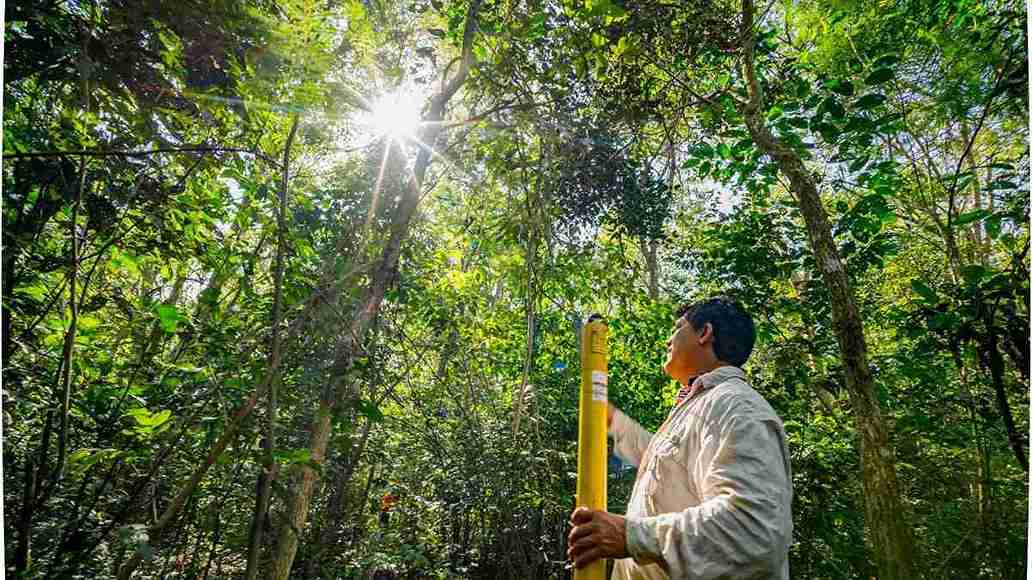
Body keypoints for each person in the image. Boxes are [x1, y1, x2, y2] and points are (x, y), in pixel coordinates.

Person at [567, 297, 793, 579]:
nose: (668, 341)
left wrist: (631, 536)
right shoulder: (705, 405)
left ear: (704, 333)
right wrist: (611, 420)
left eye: (677, 328)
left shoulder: (735, 405)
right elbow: (671, 470)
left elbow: (753, 532)